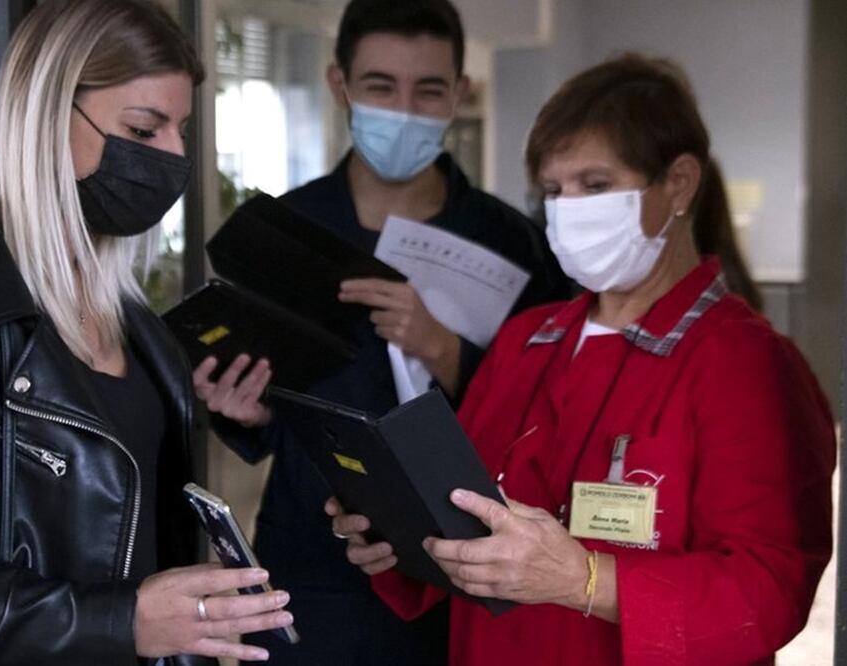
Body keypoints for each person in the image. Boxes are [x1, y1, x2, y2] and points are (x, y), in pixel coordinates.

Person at [0, 1, 294, 664]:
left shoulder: (142, 332)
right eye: (145, 129)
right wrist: (119, 621)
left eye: (181, 130)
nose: (176, 157)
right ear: (47, 117)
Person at [330, 52, 835, 665]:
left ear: (678, 183)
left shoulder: (746, 365)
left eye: (594, 186)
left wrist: (586, 580)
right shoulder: (526, 343)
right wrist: (400, 538)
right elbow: (466, 516)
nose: (567, 209)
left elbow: (769, 592)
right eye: (553, 190)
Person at [193, 1, 569, 662]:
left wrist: (443, 349)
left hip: (462, 565)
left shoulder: (514, 243)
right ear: (340, 85)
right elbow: (270, 412)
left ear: (459, 92)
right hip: (312, 558)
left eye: (427, 89)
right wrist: (243, 413)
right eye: (379, 87)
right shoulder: (286, 229)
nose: (403, 108)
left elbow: (552, 410)